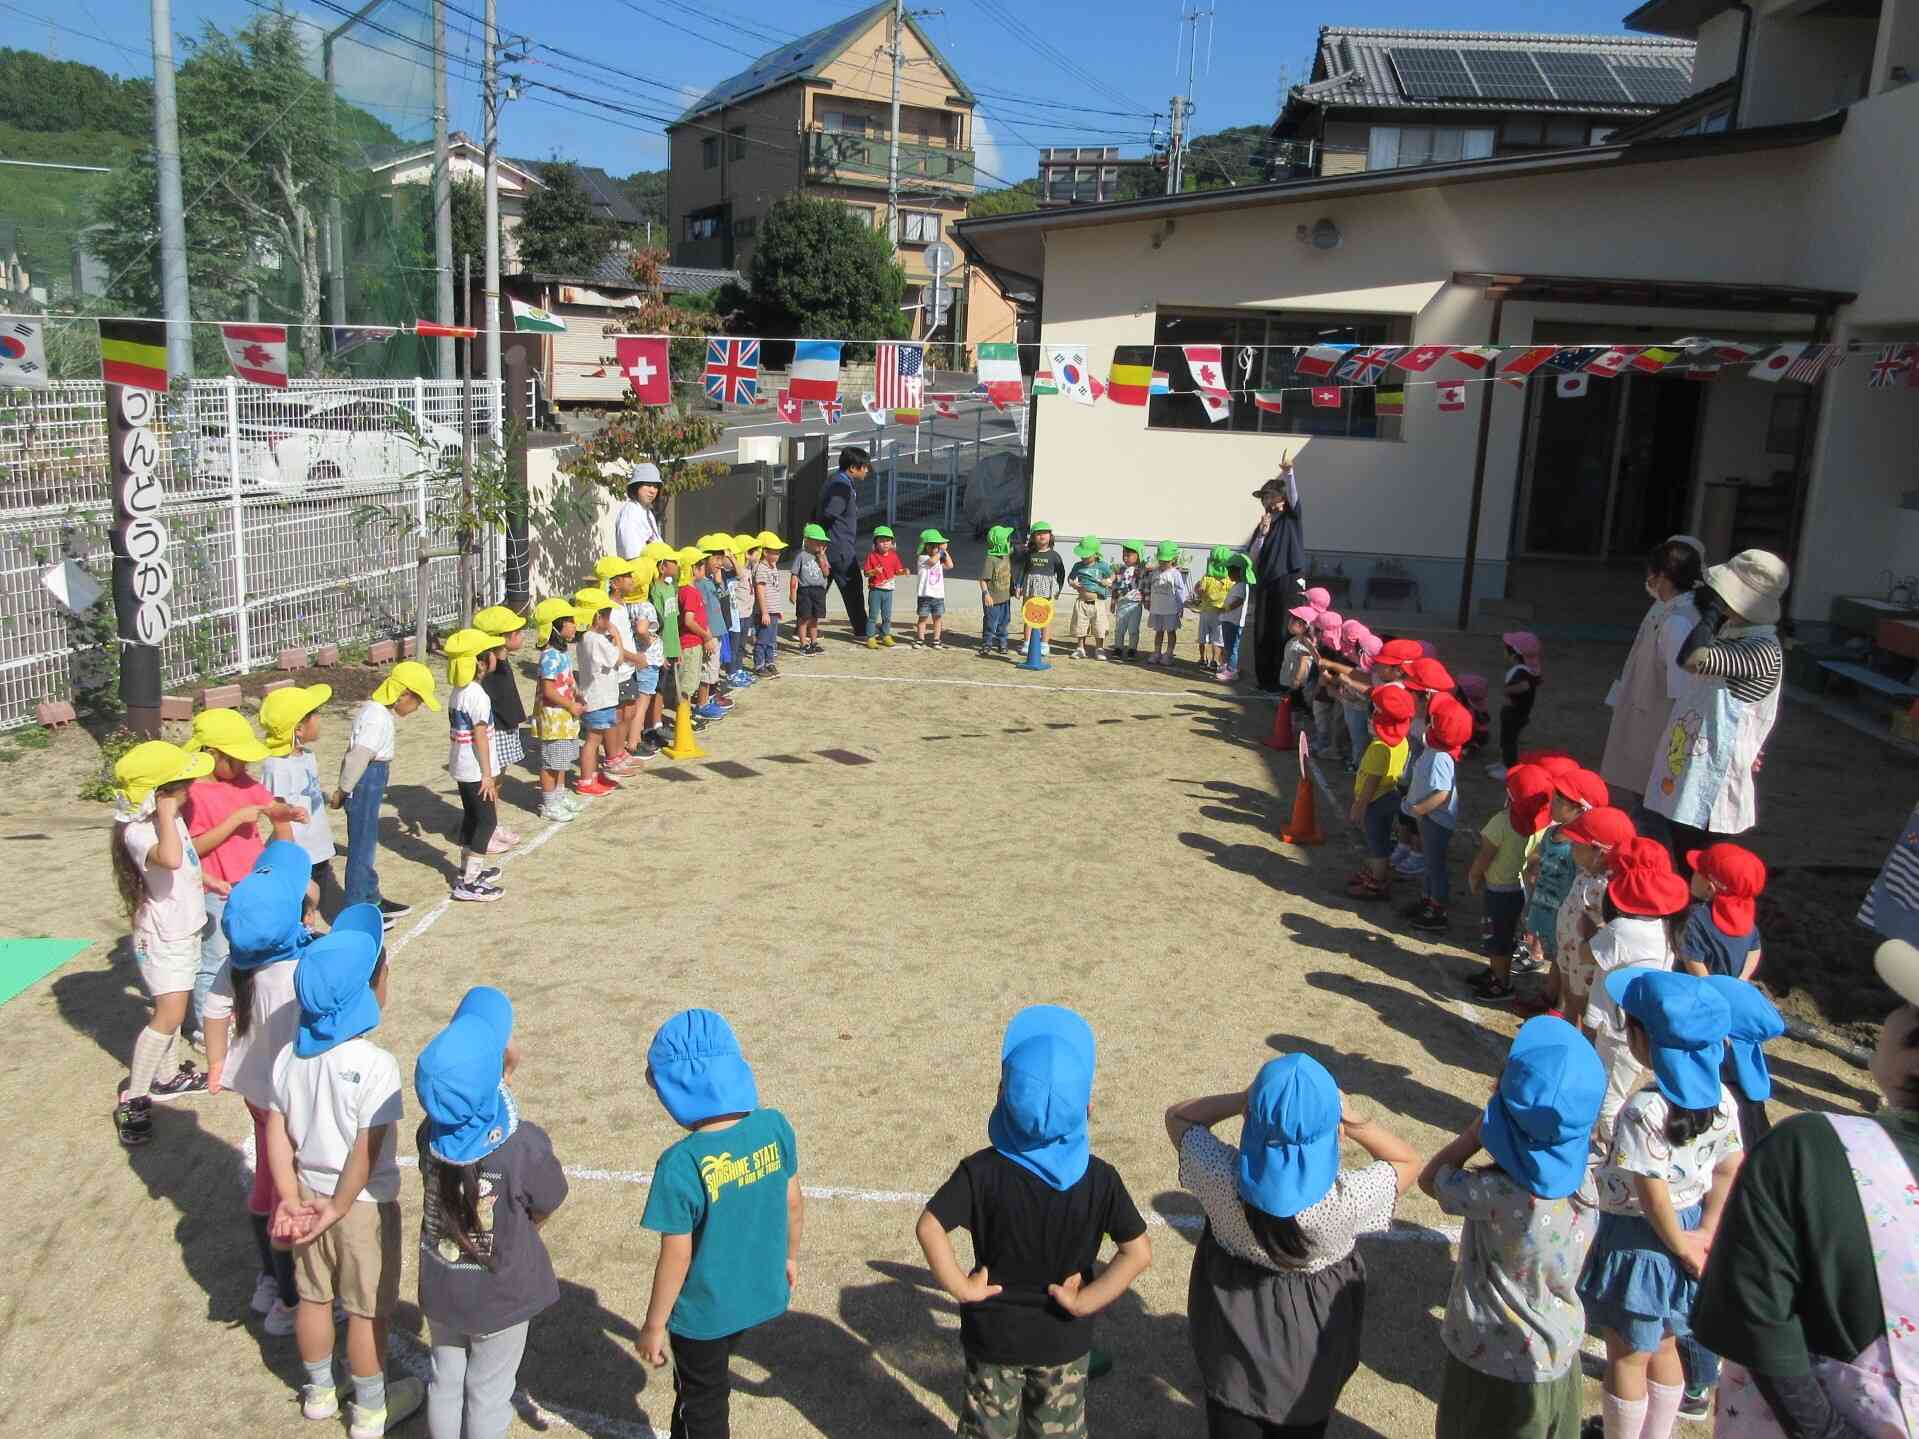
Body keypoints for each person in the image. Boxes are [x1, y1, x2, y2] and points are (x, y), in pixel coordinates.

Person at [1692, 937, 1919, 1439]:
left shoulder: (1811, 1151)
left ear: (1913, 1055)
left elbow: (1751, 1318)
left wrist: (1830, 1432)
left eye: (1904, 1006)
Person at [918, 1005, 1151, 1439]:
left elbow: (929, 1226)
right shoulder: (1101, 1179)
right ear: (1087, 1106)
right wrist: (1087, 1300)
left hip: (992, 1339)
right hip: (1063, 1341)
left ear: (1002, 1094)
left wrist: (962, 1286)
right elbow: (1137, 1252)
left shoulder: (979, 1171)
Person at [1166, 1052, 1418, 1438]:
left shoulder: (1219, 1178)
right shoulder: (1344, 1202)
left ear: (1249, 1122)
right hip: (1309, 1367)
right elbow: (1407, 1160)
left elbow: (1178, 1117)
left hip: (1231, 1357)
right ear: (1335, 1133)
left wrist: (1243, 1099)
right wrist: (1350, 1118)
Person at [266, 906, 425, 1439]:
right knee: (367, 1311)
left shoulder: (289, 1057)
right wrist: (336, 1207)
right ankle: (372, 1409)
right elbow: (366, 1149)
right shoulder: (376, 1065)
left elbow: (274, 1129)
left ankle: (316, 1392)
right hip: (360, 1206)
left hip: (307, 1194)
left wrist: (290, 1196)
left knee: (314, 1297)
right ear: (367, 995)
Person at [1418, 1016, 1605, 1439]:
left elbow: (1433, 1179)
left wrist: (1476, 1134)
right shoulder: (1588, 1183)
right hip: (1558, 1355)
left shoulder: (1496, 1193)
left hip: (1492, 1359)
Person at [1579, 970, 1742, 1439]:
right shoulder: (1724, 1101)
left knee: (1627, 1355)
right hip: (1688, 1225)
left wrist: (1678, 1244)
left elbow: (1650, 1193)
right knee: (1667, 1345)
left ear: (1642, 1041)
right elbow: (1731, 1166)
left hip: (1642, 1241)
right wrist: (1704, 1233)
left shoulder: (1643, 1111)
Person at [638, 1009, 802, 1438]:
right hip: (758, 1290)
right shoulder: (775, 1126)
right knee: (696, 1386)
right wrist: (788, 1256)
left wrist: (654, 1325)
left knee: (706, 1400)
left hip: (704, 1314)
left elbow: (677, 1254)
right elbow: (793, 1202)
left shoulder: (680, 1164)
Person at [414, 986, 569, 1439]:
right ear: (499, 1071)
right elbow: (546, 1201)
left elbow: (465, 1114)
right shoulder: (524, 1144)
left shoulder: (429, 1132)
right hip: (499, 1296)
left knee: (445, 1379)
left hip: (443, 1281)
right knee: (488, 1391)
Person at [203, 839, 320, 1335]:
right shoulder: (302, 965)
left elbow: (212, 1011)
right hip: (292, 1097)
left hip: (254, 1088)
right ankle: (290, 1300)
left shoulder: (240, 964)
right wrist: (311, 911)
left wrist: (214, 1064)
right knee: (289, 1190)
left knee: (267, 1184)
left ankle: (269, 1282)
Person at [1643, 550, 1788, 856]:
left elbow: (1692, 658)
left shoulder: (1762, 650)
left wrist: (1710, 614)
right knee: (1681, 857)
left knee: (1701, 868)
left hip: (1714, 783)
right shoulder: (1734, 633)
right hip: (1688, 768)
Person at [111, 741, 218, 1144]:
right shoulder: (140, 832)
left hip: (183, 927)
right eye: (183, 784)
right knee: (168, 1015)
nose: (190, 787)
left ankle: (168, 1075)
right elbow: (171, 859)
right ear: (161, 792)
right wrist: (169, 815)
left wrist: (210, 881)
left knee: (175, 1006)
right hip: (162, 936)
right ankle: (134, 1096)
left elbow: (187, 861)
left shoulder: (167, 824)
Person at [1581, 838, 1690, 1153]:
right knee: (1614, 1089)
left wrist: (1591, 922)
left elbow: (1588, 954)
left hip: (1616, 1024)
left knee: (1608, 1101)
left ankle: (1612, 1153)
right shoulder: (1665, 927)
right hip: (1638, 1021)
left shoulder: (1622, 931)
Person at [184, 708, 288, 1038]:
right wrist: (234, 821)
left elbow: (270, 805)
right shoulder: (194, 795)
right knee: (214, 958)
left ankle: (240, 1010)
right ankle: (205, 1027)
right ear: (211, 754)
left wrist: (288, 812)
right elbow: (193, 849)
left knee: (249, 951)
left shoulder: (242, 782)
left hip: (250, 885)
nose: (244, 766)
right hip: (215, 891)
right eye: (236, 758)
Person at [1601, 538, 1705, 810]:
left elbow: (1681, 691)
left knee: (1651, 805)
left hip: (1660, 729)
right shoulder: (1670, 610)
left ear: (1663, 577)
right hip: (1650, 719)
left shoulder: (1679, 621)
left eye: (1653, 572)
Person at [332, 661, 438, 926]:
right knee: (362, 848)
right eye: (418, 701)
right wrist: (343, 790)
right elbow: (358, 756)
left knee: (367, 842)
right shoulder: (376, 717)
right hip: (365, 779)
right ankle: (356, 909)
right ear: (402, 694)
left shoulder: (378, 714)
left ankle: (372, 897)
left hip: (373, 776)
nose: (418, 707)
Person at [1467, 765, 1555, 1002]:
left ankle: (1501, 982)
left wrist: (1474, 877)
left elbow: (1485, 855)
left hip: (1498, 890)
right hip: (1520, 889)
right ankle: (1497, 971)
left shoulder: (1501, 822)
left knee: (1497, 937)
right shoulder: (1545, 826)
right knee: (1505, 934)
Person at [1548, 805, 1637, 1026]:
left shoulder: (1611, 889)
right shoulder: (1586, 872)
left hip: (1588, 965)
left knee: (1587, 1015)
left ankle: (1582, 1050)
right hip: (1570, 952)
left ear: (1600, 852)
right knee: (1570, 999)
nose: (1572, 846)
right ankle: (1567, 1039)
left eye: (1578, 843)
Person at [261, 685, 342, 925]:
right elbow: (274, 811)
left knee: (313, 909)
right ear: (298, 728)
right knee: (298, 910)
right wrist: (291, 857)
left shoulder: (307, 756)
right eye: (315, 713)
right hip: (299, 854)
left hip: (318, 848)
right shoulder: (276, 766)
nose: (320, 718)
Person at [442, 628, 506, 903]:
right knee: (487, 821)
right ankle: (469, 882)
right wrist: (488, 776)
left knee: (471, 818)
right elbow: (480, 735)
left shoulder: (458, 692)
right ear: (481, 663)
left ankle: (466, 869)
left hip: (461, 765)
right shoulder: (478, 695)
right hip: (476, 769)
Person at [1404, 694, 1471, 934]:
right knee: (1430, 864)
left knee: (1435, 865)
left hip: (1435, 819)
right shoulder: (1438, 750)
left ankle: (1438, 909)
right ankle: (1427, 899)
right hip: (1430, 818)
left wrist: (1419, 809)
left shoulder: (1441, 757)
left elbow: (1442, 793)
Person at [1347, 684, 1415, 903]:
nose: (1369, 720)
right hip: (1390, 794)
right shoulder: (1401, 743)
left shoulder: (1378, 748)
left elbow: (1370, 784)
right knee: (1383, 838)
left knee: (1377, 843)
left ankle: (1377, 882)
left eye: (1374, 718)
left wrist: (1359, 806)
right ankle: (1379, 873)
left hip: (1374, 801)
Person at [473, 606, 532, 843]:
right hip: (495, 729)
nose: (523, 635)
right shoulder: (489, 666)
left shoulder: (501, 660)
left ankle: (491, 823)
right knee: (491, 781)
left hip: (505, 726)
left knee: (499, 779)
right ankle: (488, 827)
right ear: (503, 637)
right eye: (517, 632)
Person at [1247, 457, 1306, 693]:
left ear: (1280, 498)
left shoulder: (1291, 517)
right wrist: (1262, 533)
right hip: (1266, 580)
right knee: (1263, 629)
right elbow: (1253, 557)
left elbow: (1294, 497)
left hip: (1288, 578)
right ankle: (1265, 678)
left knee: (1284, 628)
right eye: (1263, 497)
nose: (1265, 501)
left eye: (1269, 496)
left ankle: (1285, 681)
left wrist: (1288, 472)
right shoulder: (1264, 523)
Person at [531, 597, 587, 822]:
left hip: (565, 716)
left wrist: (578, 693)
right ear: (555, 626)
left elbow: (567, 681)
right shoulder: (550, 656)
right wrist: (570, 704)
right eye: (570, 621)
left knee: (562, 759)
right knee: (551, 762)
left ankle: (560, 794)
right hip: (554, 717)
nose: (575, 625)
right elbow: (549, 690)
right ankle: (549, 803)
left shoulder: (562, 652)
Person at [1678, 844, 1766, 982]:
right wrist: (1743, 978)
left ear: (1710, 888)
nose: (1692, 874)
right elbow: (1755, 948)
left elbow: (1693, 961)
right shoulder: (1745, 915)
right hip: (1733, 985)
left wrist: (1713, 990)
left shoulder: (1694, 918)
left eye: (1696, 871)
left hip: (1699, 990)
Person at [573, 589, 625, 797]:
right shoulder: (596, 640)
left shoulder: (587, 638)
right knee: (593, 741)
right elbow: (618, 658)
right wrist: (618, 637)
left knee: (597, 739)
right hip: (599, 699)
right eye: (607, 616)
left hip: (597, 696)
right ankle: (586, 779)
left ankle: (593, 775)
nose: (610, 621)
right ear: (597, 617)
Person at [817, 446, 870, 639]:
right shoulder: (841, 486)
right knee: (852, 587)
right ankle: (863, 629)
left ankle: (805, 627)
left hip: (831, 545)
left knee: (818, 588)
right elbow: (830, 512)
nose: (867, 470)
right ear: (853, 468)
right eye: (864, 467)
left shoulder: (836, 479)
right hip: (839, 547)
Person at [677, 551, 725, 721]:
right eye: (701, 566)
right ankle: (687, 718)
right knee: (688, 684)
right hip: (691, 643)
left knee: (692, 681)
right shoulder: (689, 591)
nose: (704, 568)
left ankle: (689, 715)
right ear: (693, 569)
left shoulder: (689, 590)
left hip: (696, 641)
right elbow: (689, 621)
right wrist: (706, 636)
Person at [1490, 631, 1543, 780]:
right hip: (1515, 712)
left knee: (1509, 741)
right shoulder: (1528, 669)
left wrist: (1507, 690)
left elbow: (1524, 686)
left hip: (1515, 713)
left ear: (1515, 654)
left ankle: (1509, 767)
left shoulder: (1521, 671)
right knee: (1505, 739)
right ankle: (1502, 763)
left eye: (1507, 650)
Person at [645, 544, 684, 742]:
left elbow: (673, 621)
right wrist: (660, 653)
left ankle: (656, 723)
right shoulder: (655, 591)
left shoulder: (671, 588)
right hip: (660, 650)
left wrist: (677, 648)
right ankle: (652, 726)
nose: (677, 565)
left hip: (671, 647)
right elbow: (657, 624)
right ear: (662, 567)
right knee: (655, 688)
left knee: (663, 688)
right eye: (673, 562)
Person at [1018, 521, 1068, 658]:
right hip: (1030, 587)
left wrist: (1059, 588)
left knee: (1046, 616)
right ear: (1033, 537)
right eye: (1038, 533)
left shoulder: (1054, 555)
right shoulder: (1029, 554)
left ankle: (1044, 644)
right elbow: (1023, 570)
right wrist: (1018, 585)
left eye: (1045, 533)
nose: (1042, 536)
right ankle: (1027, 642)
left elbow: (1061, 573)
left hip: (1047, 590)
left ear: (1050, 536)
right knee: (1028, 615)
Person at [863, 525, 908, 649]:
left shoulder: (894, 556)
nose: (885, 543)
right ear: (875, 542)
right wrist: (875, 571)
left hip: (889, 590)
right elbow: (866, 573)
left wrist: (903, 571)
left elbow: (897, 571)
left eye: (888, 540)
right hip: (876, 590)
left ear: (892, 542)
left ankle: (885, 635)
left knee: (887, 615)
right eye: (881, 541)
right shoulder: (872, 556)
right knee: (873, 615)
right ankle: (871, 637)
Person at [1067, 536, 1112, 660]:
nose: (1084, 557)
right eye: (1082, 555)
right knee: (1080, 625)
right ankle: (1080, 648)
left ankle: (1099, 648)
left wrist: (1108, 581)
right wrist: (1073, 583)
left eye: (1087, 555)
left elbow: (1112, 576)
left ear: (1095, 554)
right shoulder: (1078, 566)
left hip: (1098, 602)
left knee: (1099, 626)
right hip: (1081, 602)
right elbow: (1070, 578)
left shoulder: (1102, 565)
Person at [1192, 545, 1235, 673]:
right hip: (1219, 613)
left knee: (1204, 637)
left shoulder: (1208, 578)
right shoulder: (1228, 580)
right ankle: (1214, 661)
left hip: (1207, 612)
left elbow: (1200, 591)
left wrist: (1199, 592)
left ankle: (1204, 659)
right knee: (1216, 639)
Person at [1147, 539, 1188, 667]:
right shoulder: (1154, 572)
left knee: (1171, 631)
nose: (1163, 563)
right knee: (1158, 631)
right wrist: (1149, 602)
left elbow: (1181, 591)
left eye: (1166, 561)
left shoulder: (1175, 574)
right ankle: (1157, 652)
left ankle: (1169, 653)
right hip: (1157, 608)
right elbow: (1150, 587)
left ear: (1173, 559)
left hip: (1170, 609)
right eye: (1161, 560)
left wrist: (1181, 606)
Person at [792, 524, 831, 657]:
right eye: (817, 541)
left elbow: (826, 573)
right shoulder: (801, 556)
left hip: (818, 591)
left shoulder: (822, 556)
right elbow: (794, 574)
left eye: (822, 542)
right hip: (805, 591)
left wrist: (821, 557)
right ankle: (803, 644)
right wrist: (792, 592)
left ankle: (814, 642)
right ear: (807, 541)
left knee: (815, 618)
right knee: (804, 618)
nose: (820, 544)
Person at [614, 462, 665, 560]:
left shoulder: (647, 512)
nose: (652, 491)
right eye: (648, 485)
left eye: (655, 486)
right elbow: (632, 555)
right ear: (636, 486)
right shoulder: (630, 512)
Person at [914, 528, 955, 650]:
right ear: (925, 546)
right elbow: (932, 561)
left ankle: (936, 640)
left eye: (936, 546)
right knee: (923, 618)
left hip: (938, 595)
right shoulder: (923, 558)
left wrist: (944, 552)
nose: (934, 549)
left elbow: (950, 565)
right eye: (931, 546)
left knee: (937, 618)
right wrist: (942, 551)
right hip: (925, 595)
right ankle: (920, 638)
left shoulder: (939, 558)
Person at [752, 530, 785, 676]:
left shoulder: (773, 567)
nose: (778, 555)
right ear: (765, 552)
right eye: (775, 552)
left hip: (773, 610)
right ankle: (759, 665)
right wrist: (764, 612)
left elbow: (774, 590)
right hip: (765, 611)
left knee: (772, 639)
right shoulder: (761, 568)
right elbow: (760, 590)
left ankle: (770, 662)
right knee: (763, 639)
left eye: (779, 552)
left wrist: (778, 609)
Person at [1109, 540, 1147, 662]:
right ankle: (1118, 648)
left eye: (1128, 555)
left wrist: (1147, 600)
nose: (1125, 557)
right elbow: (1115, 586)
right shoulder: (1120, 570)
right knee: (1119, 628)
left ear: (1138, 556)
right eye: (1124, 554)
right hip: (1121, 603)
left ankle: (1132, 649)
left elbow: (1146, 585)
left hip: (1135, 604)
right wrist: (1113, 601)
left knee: (1133, 629)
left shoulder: (1141, 570)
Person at [1219, 554, 1253, 684]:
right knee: (1228, 645)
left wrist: (1225, 609)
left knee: (1232, 646)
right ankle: (1227, 667)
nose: (1228, 574)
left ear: (1238, 571)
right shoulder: (1237, 584)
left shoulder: (1242, 586)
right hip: (1229, 620)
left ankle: (1232, 671)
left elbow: (1238, 601)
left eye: (1230, 571)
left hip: (1234, 621)